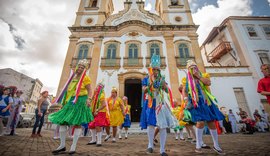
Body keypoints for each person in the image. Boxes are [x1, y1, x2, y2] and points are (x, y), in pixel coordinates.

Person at [49, 59, 94, 154]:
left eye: (82, 67)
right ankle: (62, 145)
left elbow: (90, 90)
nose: (80, 68)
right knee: (62, 122)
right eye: (79, 66)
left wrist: (89, 99)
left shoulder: (86, 78)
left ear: (84, 69)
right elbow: (68, 90)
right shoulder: (72, 77)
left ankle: (73, 147)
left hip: (81, 100)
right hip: (70, 101)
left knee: (77, 123)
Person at [183, 60, 225, 155]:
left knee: (211, 122)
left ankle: (216, 145)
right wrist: (186, 99)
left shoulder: (202, 76)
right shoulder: (188, 80)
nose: (193, 70)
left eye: (195, 67)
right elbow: (185, 90)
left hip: (206, 102)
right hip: (196, 103)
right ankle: (198, 144)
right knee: (200, 122)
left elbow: (208, 83)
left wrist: (198, 76)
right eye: (191, 68)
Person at [140, 54, 178, 156]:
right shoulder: (146, 79)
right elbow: (144, 90)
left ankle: (162, 149)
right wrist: (151, 84)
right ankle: (150, 145)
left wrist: (163, 85)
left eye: (157, 70)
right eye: (154, 69)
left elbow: (166, 90)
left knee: (163, 126)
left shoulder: (162, 79)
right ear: (151, 70)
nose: (155, 71)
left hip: (160, 103)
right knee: (151, 124)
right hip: (150, 103)